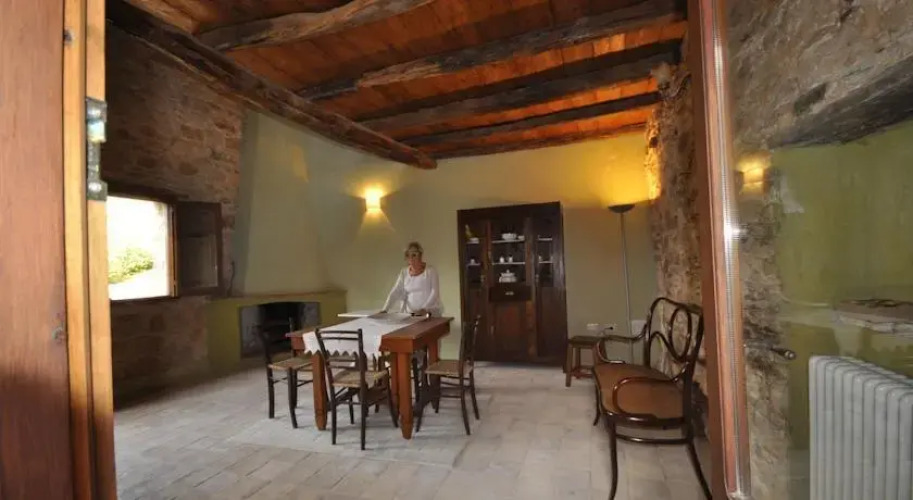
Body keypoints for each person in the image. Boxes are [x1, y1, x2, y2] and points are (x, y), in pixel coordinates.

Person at [382, 241, 443, 317]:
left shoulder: (431, 271)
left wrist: (424, 309)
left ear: (420, 255)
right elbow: (395, 292)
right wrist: (385, 309)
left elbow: (434, 293)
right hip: (410, 315)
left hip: (430, 314)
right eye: (408, 255)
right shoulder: (403, 273)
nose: (411, 258)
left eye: (414, 255)